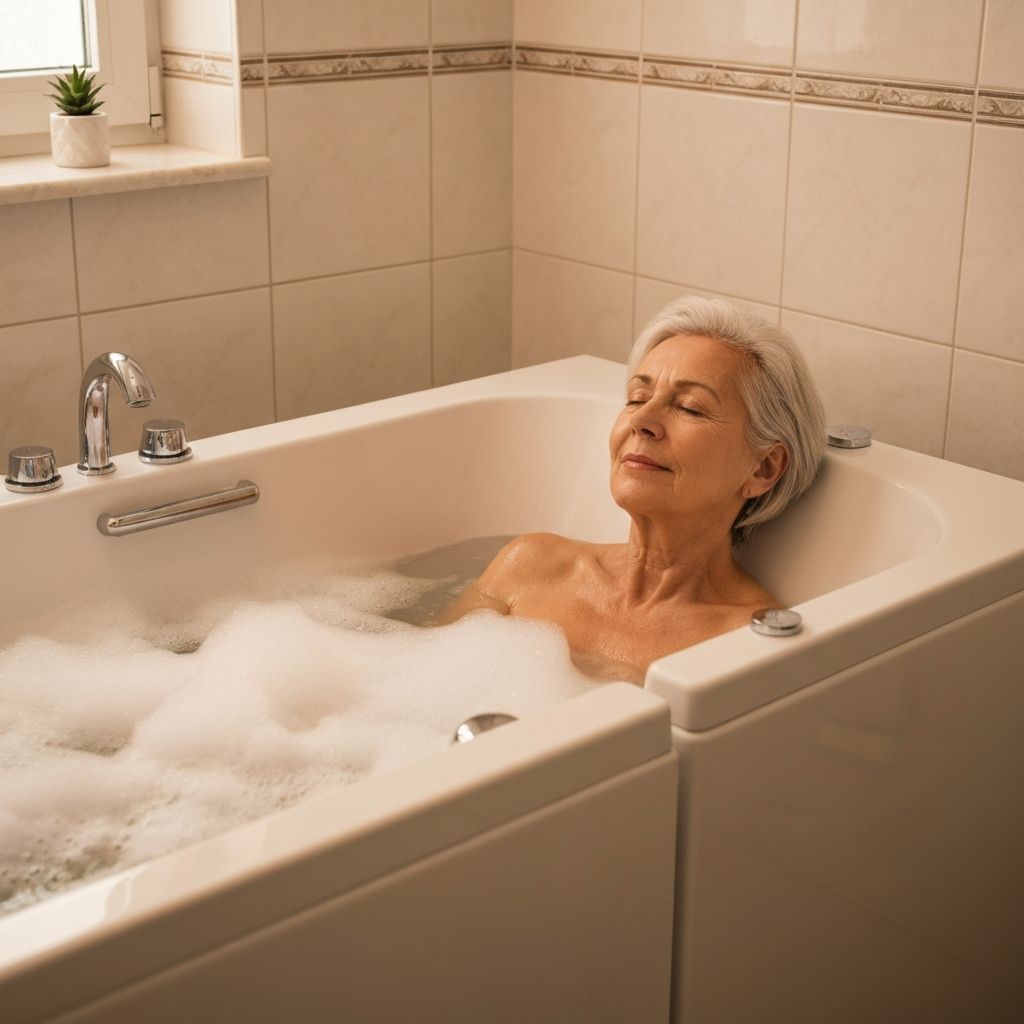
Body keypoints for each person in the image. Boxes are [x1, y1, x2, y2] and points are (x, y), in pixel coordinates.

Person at [440, 296, 826, 682]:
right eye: (636, 398)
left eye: (690, 407)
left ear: (763, 467)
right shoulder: (531, 566)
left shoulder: (746, 644)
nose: (641, 420)